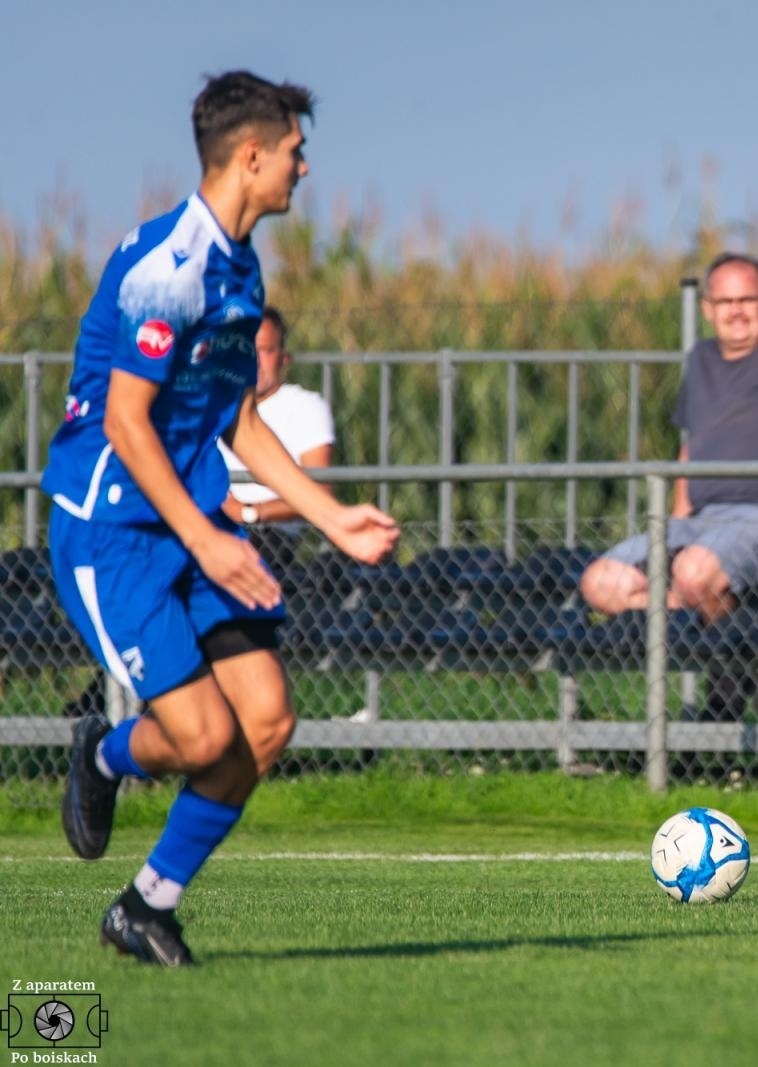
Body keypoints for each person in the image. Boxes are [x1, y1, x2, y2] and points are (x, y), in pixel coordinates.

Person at [43, 70, 399, 965]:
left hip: (192, 520)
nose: (303, 169)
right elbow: (127, 422)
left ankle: (145, 906)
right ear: (251, 156)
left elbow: (237, 417)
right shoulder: (173, 268)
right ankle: (108, 754)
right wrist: (206, 536)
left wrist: (331, 517)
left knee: (267, 723)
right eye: (294, 152)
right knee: (204, 738)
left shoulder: (240, 266)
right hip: (113, 532)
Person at [577, 253, 758, 720]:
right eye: (724, 300)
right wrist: (675, 519)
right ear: (707, 308)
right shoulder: (701, 359)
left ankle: (732, 677)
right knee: (601, 583)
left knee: (695, 573)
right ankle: (736, 641)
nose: (735, 310)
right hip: (704, 520)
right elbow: (690, 447)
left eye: (747, 299)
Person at [216, 306, 335, 573]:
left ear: (284, 358)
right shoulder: (212, 407)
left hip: (268, 538)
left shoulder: (305, 406)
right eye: (246, 349)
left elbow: (319, 492)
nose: (254, 361)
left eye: (265, 350)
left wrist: (248, 511)